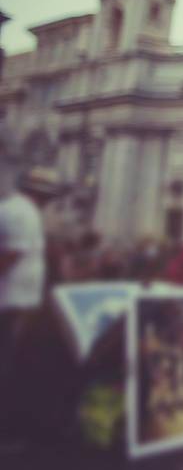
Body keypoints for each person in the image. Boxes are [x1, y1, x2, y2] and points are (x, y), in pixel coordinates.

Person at [0, 131, 47, 450]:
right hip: (15, 301)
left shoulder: (17, 210)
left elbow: (11, 253)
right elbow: (11, 254)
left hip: (15, 301)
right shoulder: (22, 211)